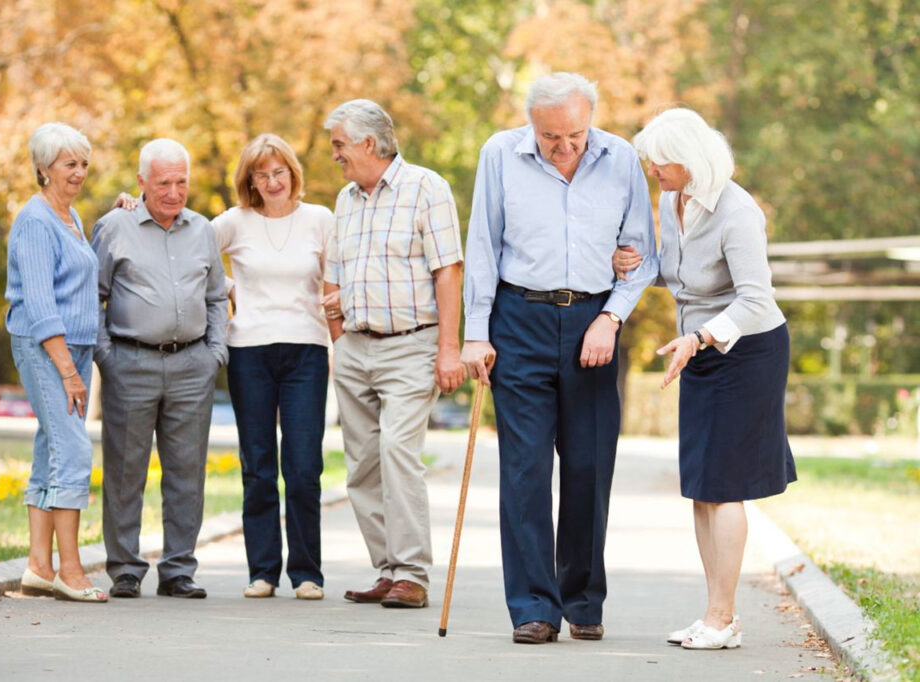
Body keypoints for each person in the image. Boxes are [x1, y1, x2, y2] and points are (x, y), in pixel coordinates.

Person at [460, 73, 658, 643]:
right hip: (518, 319)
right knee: (524, 471)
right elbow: (483, 245)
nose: (564, 147)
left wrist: (611, 316)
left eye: (574, 134)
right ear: (532, 124)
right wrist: (477, 332)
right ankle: (533, 607)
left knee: (588, 467)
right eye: (550, 137)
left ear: (589, 120)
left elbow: (641, 254)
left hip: (593, 321)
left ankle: (583, 598)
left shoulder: (620, 159)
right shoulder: (499, 154)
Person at [613, 107, 796, 649]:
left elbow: (755, 297)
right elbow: (673, 272)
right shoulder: (673, 202)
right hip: (694, 350)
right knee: (700, 487)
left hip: (747, 352)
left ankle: (724, 618)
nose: (651, 171)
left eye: (659, 163)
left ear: (689, 161)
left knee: (726, 485)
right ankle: (715, 614)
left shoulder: (738, 212)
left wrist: (700, 337)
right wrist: (633, 262)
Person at [322, 99, 466, 609]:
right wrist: (338, 337)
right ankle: (387, 569)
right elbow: (333, 274)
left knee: (397, 454)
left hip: (411, 345)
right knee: (361, 465)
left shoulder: (426, 188)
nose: (334, 153)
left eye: (339, 144)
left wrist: (449, 350)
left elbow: (448, 270)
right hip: (356, 348)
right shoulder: (345, 199)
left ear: (367, 143)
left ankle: (412, 573)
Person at [91, 138, 228, 600]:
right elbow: (94, 296)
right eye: (164, 182)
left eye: (182, 181)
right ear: (142, 182)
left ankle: (178, 569)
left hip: (193, 363)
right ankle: (125, 568)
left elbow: (216, 296)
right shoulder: (114, 226)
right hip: (130, 362)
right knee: (126, 470)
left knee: (187, 472)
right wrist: (106, 355)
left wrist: (215, 353)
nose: (174, 191)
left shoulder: (203, 230)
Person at [212, 134, 333, 600]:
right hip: (250, 351)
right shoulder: (234, 222)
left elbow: (336, 275)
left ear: (293, 173)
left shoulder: (319, 219)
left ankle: (306, 573)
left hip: (305, 349)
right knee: (258, 465)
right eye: (261, 174)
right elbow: (188, 250)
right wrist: (227, 288)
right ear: (250, 181)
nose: (272, 181)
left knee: (303, 465)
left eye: (279, 171)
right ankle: (262, 570)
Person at [5, 122, 107, 603]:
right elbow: (42, 305)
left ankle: (38, 567)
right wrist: (67, 370)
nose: (80, 172)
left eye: (84, 163)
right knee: (73, 451)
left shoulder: (69, 217)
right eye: (70, 164)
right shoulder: (35, 221)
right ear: (44, 169)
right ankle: (71, 570)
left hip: (74, 348)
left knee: (51, 449)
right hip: (48, 347)